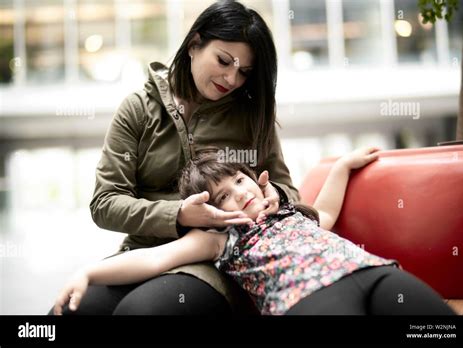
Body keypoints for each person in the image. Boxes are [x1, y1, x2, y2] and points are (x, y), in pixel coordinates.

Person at [48, 0, 298, 315]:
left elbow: (288, 189)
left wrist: (275, 193)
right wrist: (177, 214)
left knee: (143, 312)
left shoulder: (251, 114)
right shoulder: (138, 109)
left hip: (214, 260)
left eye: (244, 72)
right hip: (140, 253)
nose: (232, 79)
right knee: (69, 312)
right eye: (223, 61)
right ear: (194, 44)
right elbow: (105, 204)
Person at [54, 150, 455, 315]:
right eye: (223, 196)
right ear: (210, 210)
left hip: (373, 273)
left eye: (240, 182)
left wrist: (342, 168)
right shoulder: (220, 237)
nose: (239, 194)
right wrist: (88, 273)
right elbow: (154, 258)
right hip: (308, 298)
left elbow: (327, 212)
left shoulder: (284, 210)